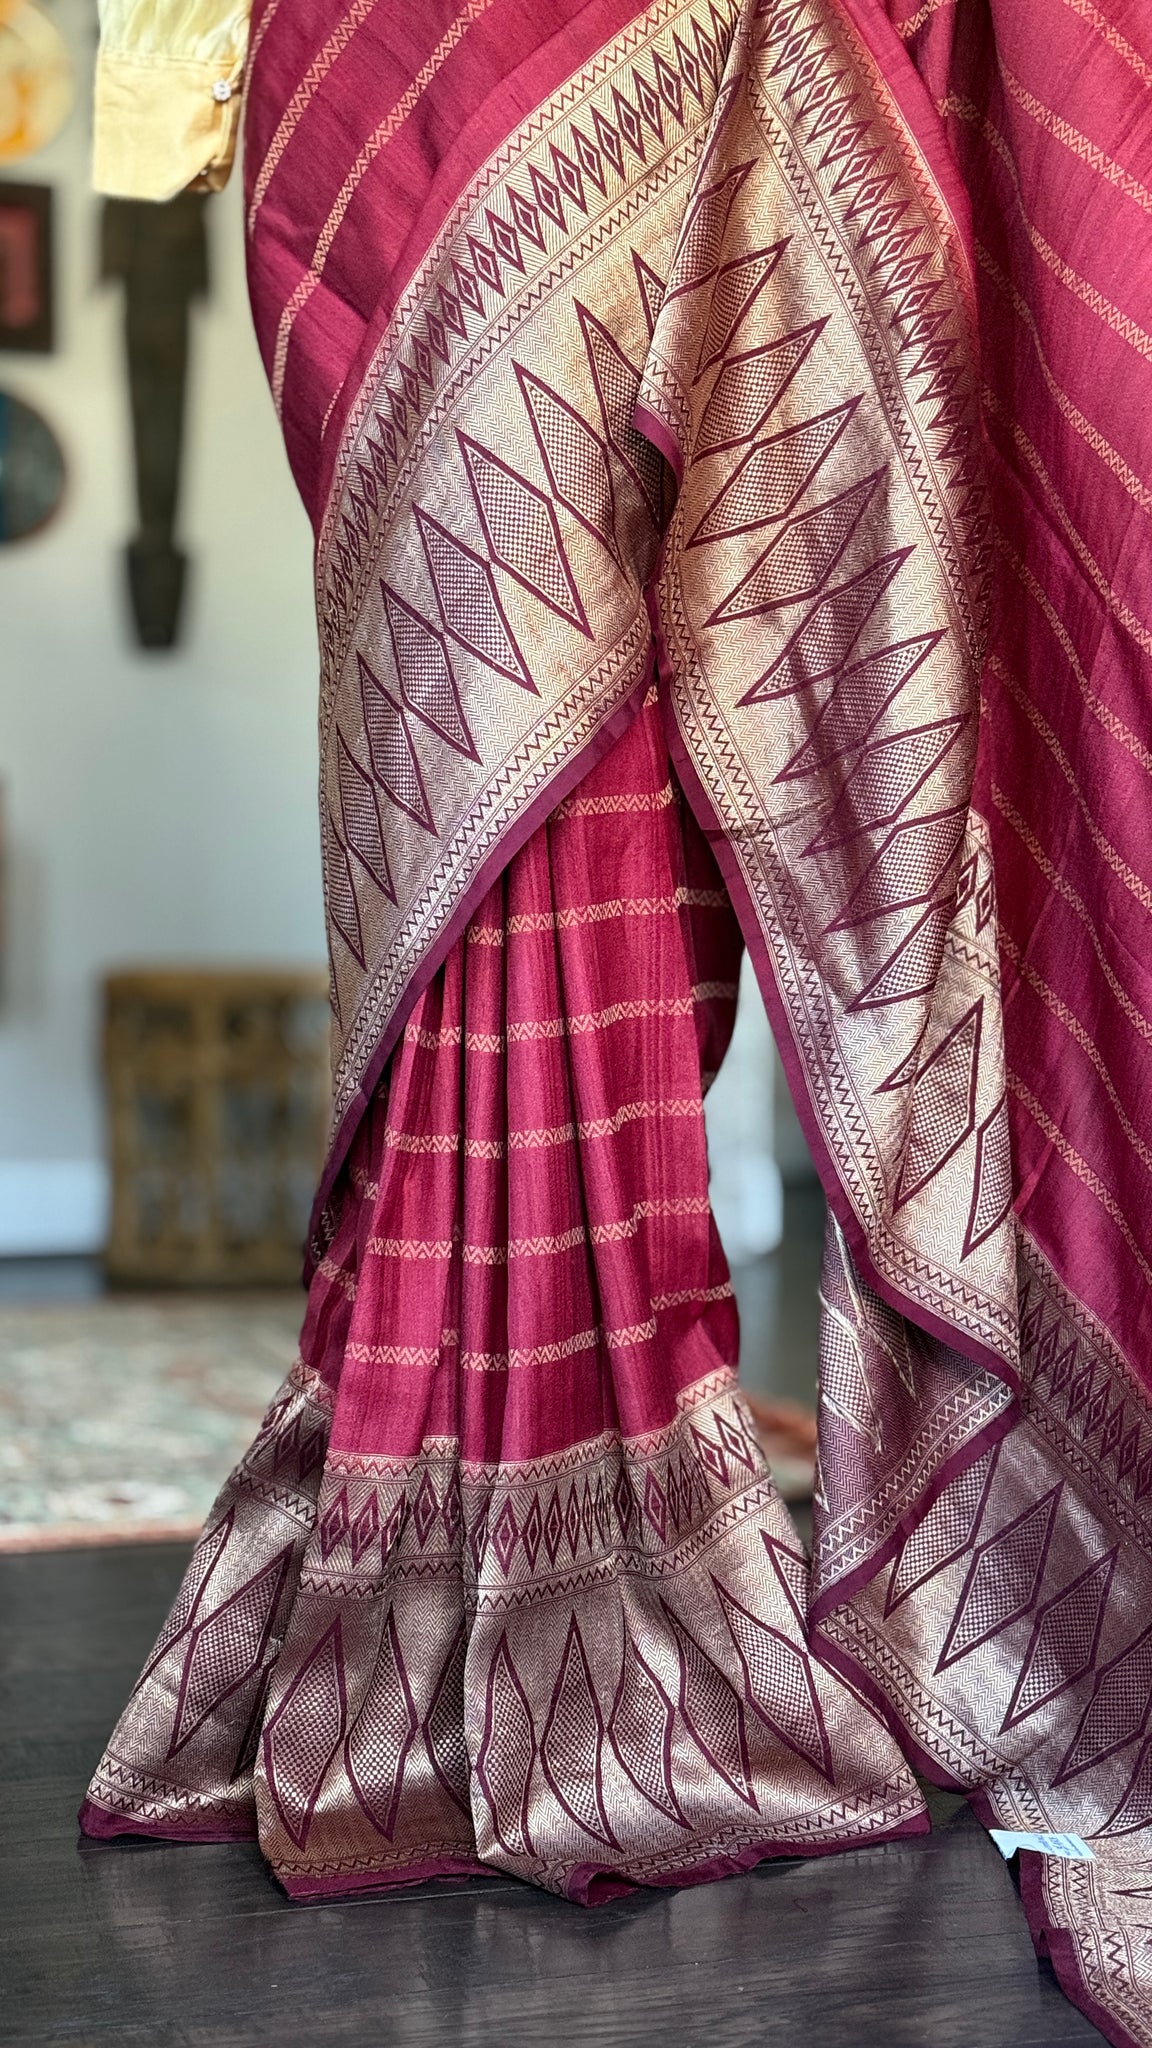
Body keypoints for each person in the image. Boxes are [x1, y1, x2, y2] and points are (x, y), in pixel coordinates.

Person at [81, 2, 1152, 2040]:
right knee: (498, 786)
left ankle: (612, 1524)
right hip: (391, 74)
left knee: (652, 802)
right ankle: (489, 1554)